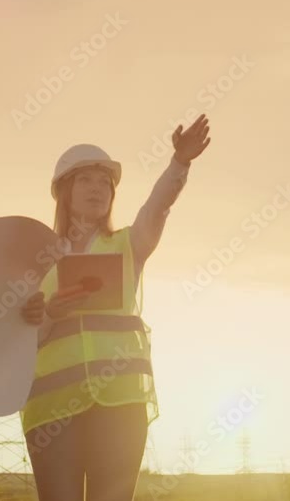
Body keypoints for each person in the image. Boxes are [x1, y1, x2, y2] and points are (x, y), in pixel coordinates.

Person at [19, 114, 212, 500]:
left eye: (105, 182)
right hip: (52, 407)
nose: (98, 188)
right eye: (85, 179)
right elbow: (16, 341)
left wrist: (180, 163)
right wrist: (52, 315)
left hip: (121, 400)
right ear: (63, 192)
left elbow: (157, 208)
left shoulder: (130, 245)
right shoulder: (34, 259)